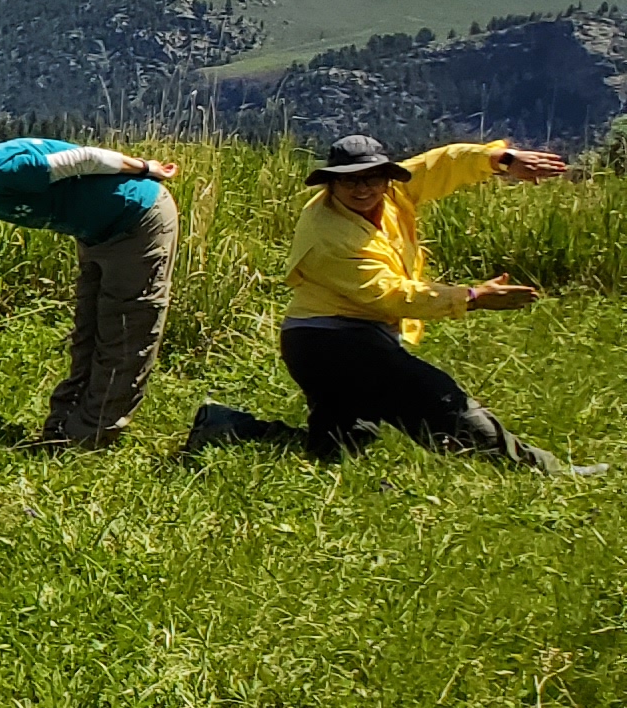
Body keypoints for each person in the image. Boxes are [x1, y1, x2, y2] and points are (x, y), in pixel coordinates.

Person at [185, 134, 576, 470]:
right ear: (330, 186)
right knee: (437, 398)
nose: (362, 189)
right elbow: (389, 294)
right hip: (331, 343)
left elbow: (441, 164)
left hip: (339, 338)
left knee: (341, 448)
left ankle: (226, 426)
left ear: (387, 178)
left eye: (372, 178)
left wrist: (502, 160)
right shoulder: (328, 233)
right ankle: (539, 470)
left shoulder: (392, 195)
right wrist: (470, 298)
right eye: (349, 181)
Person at [0, 135, 178, 448]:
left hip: (136, 217)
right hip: (96, 232)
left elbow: (83, 158)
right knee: (88, 331)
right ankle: (64, 425)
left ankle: (91, 435)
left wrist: (146, 167)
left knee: (125, 330)